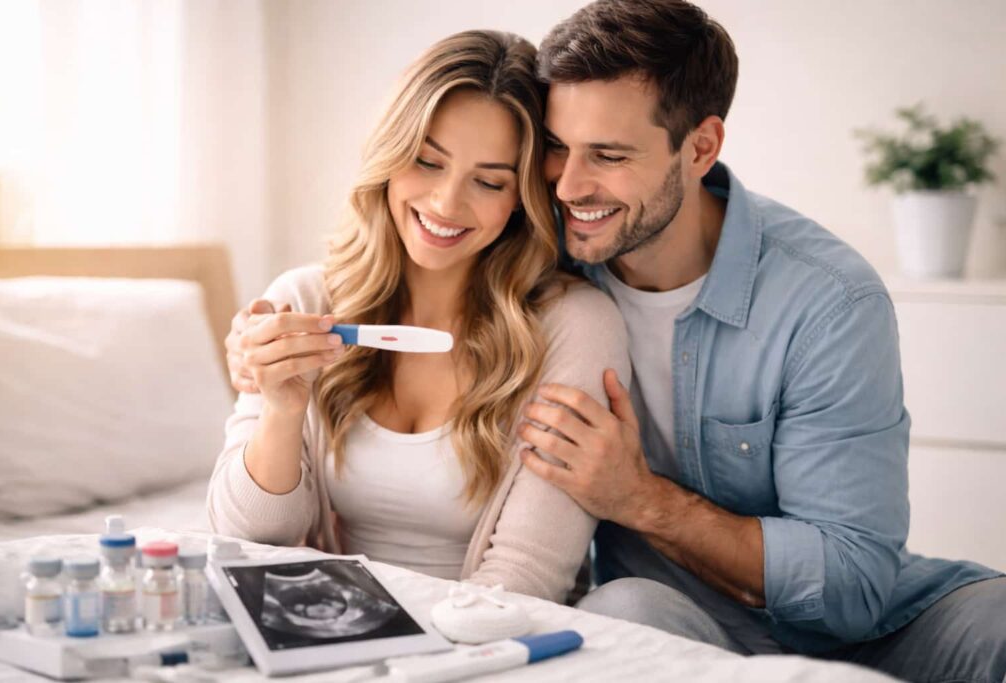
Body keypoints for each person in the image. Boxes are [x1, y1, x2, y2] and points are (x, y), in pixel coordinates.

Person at [227, 4, 1006, 681]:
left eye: (608, 155)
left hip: (874, 627)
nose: (566, 187)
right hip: (656, 611)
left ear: (699, 148)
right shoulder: (542, 255)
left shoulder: (825, 300)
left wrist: (638, 499)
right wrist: (264, 379)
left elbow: (856, 583)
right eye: (558, 150)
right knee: (624, 610)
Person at [207, 29, 629, 605]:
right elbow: (249, 539)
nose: (446, 204)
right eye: (427, 162)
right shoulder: (304, 300)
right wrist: (282, 410)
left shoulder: (572, 325)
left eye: (488, 181)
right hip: (330, 630)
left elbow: (528, 574)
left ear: (521, 198)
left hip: (479, 638)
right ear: (389, 156)